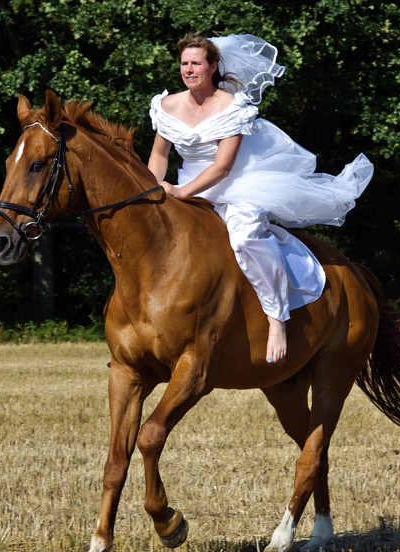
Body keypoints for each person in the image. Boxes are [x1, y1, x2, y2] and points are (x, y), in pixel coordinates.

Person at [148, 33, 373, 364]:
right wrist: (152, 188)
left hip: (236, 183)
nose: (189, 69)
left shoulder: (231, 107)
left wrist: (181, 192)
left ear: (212, 67)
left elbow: (223, 167)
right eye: (184, 64)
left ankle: (276, 318)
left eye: (196, 63)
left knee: (245, 237)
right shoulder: (168, 105)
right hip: (184, 183)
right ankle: (142, 333)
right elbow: (158, 154)